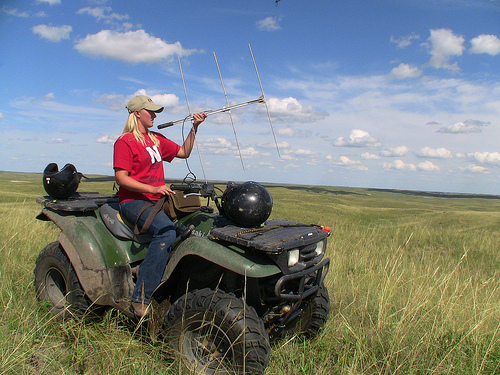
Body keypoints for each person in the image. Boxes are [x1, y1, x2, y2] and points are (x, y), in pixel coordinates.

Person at [113, 95, 206, 317]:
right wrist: (153, 189)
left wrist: (195, 127)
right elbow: (121, 178)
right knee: (166, 233)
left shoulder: (155, 139)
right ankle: (140, 298)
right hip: (134, 201)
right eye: (150, 112)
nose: (154, 115)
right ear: (137, 113)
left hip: (156, 201)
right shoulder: (124, 142)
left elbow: (183, 153)